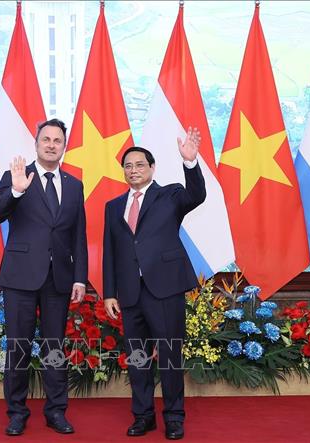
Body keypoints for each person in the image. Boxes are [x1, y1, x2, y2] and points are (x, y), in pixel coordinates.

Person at [102, 128, 205, 440]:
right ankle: (143, 416)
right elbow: (110, 251)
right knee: (137, 359)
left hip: (165, 289)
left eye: (139, 165)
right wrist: (109, 293)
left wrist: (190, 162)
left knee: (170, 357)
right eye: (128, 166)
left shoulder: (170, 195)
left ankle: (173, 418)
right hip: (130, 293)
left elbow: (197, 195)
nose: (133, 170)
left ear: (152, 168)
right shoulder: (113, 206)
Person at [0, 118, 87, 437]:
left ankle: (56, 411)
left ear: (64, 146)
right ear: (36, 143)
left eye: (58, 140)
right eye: (46, 139)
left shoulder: (74, 185)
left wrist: (80, 278)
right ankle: (17, 412)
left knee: (54, 348)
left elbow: (79, 235)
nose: (51, 145)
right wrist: (16, 191)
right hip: (21, 277)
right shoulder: (16, 176)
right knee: (18, 347)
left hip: (59, 279)